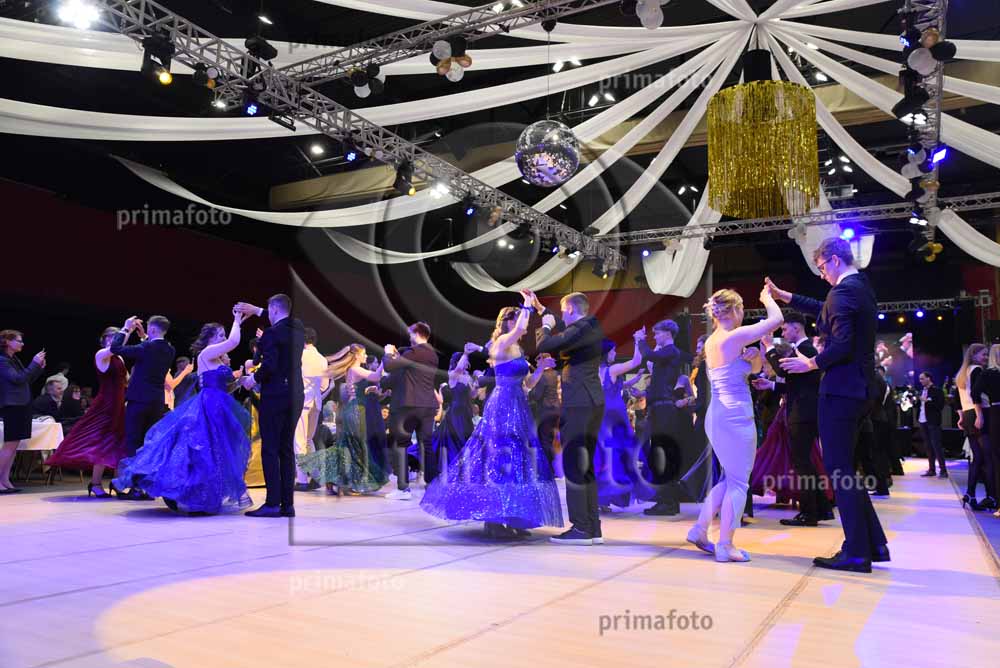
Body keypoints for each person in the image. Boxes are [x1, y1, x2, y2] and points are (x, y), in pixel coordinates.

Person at [767, 236, 889, 573]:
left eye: (822, 267)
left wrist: (810, 363)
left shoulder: (843, 292)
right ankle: (871, 544)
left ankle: (857, 552)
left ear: (834, 260)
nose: (821, 274)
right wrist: (786, 296)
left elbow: (843, 344)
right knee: (845, 469)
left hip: (841, 390)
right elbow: (824, 307)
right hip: (858, 389)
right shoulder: (859, 286)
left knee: (840, 471)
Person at [421, 292, 562, 538]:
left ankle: (514, 517)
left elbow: (527, 385)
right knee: (498, 457)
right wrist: (528, 305)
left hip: (518, 404)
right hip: (502, 404)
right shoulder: (502, 343)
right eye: (513, 316)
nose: (519, 319)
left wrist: (540, 368)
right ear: (504, 322)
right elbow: (521, 329)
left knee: (519, 460)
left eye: (518, 316)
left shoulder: (517, 348)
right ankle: (494, 520)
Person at [113, 311, 252, 514]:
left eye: (223, 335)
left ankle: (207, 496)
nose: (223, 339)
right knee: (203, 451)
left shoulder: (218, 360)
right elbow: (233, 341)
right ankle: (192, 496)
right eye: (220, 335)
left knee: (217, 453)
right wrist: (237, 320)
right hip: (208, 407)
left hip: (219, 406)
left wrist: (239, 382)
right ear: (210, 338)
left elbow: (225, 387)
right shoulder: (206, 354)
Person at [686, 288, 781, 563]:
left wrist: (754, 358)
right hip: (735, 417)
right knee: (739, 483)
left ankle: (699, 530)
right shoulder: (734, 336)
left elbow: (752, 371)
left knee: (729, 479)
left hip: (718, 416)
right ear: (736, 310)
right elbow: (776, 320)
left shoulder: (713, 341)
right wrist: (767, 299)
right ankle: (725, 545)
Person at [534, 291, 606, 545]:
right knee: (584, 465)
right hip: (591, 401)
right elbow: (564, 335)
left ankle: (581, 528)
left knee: (575, 464)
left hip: (579, 402)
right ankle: (592, 527)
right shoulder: (588, 327)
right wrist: (541, 308)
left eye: (564, 311)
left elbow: (545, 345)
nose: (561, 316)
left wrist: (545, 325)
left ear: (572, 309)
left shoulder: (582, 327)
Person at [757, 312, 831, 526]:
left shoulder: (805, 349)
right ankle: (819, 510)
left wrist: (769, 347)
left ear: (796, 327)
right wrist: (771, 385)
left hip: (802, 413)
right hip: (803, 412)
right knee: (805, 462)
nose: (782, 332)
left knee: (802, 463)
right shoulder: (804, 349)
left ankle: (809, 514)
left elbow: (782, 370)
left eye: (785, 328)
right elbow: (795, 383)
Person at [237, 295, 306, 518]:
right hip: (296, 395)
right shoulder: (298, 329)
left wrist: (251, 380)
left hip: (276, 395)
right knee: (286, 449)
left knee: (270, 449)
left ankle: (272, 504)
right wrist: (258, 310)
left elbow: (269, 365)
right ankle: (287, 505)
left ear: (274, 309)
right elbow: (285, 319)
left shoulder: (271, 333)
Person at [46, 328, 128, 497]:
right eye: (111, 337)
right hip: (105, 405)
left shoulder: (119, 357)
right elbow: (114, 348)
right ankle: (96, 483)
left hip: (119, 404)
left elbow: (125, 379)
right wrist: (126, 329)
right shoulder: (101, 354)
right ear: (103, 340)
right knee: (102, 441)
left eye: (117, 337)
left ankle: (117, 483)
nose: (114, 340)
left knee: (118, 442)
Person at [297, 344, 387, 495]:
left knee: (348, 446)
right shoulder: (355, 369)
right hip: (355, 411)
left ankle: (335, 480)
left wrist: (368, 390)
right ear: (356, 355)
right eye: (364, 354)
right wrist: (386, 357)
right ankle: (348, 482)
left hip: (353, 410)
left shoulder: (352, 369)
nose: (366, 356)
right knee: (355, 447)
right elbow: (376, 376)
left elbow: (357, 389)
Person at [110, 315, 175, 500]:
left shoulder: (146, 347)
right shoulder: (170, 349)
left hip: (139, 401)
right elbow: (150, 351)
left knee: (133, 444)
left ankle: (136, 488)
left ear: (152, 329)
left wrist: (125, 329)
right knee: (149, 446)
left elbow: (115, 348)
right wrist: (144, 336)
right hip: (157, 402)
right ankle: (146, 487)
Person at [635, 319, 691, 516]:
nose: (655, 336)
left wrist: (640, 340)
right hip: (661, 409)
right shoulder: (667, 354)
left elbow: (648, 354)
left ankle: (667, 503)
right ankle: (668, 501)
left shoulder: (671, 351)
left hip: (664, 410)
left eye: (657, 333)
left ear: (667, 333)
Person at [383, 322, 439, 500]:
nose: (409, 337)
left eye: (410, 333)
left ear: (417, 333)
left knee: (401, 444)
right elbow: (409, 371)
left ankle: (403, 489)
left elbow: (389, 367)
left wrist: (388, 353)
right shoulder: (432, 354)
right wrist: (400, 356)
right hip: (428, 406)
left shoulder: (415, 352)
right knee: (426, 445)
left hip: (409, 405)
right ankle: (432, 484)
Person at [594, 335, 643, 512]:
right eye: (613, 351)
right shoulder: (612, 370)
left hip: (603, 417)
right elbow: (636, 361)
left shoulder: (597, 372)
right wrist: (638, 341)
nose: (615, 353)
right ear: (606, 353)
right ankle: (606, 497)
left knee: (605, 457)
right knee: (617, 457)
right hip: (614, 419)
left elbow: (620, 386)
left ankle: (601, 500)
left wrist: (635, 379)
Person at [0, 330, 46, 493]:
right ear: (7, 342)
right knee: (10, 444)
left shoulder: (13, 359)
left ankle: (5, 480)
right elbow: (18, 379)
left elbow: (26, 380)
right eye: (19, 341)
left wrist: (38, 368)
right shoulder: (2, 360)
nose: (22, 343)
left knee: (14, 446)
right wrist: (34, 363)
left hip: (21, 405)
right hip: (13, 405)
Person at [426, 349, 476, 484]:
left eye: (467, 360)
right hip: (455, 412)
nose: (467, 363)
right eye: (464, 360)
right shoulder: (452, 374)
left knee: (465, 442)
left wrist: (477, 385)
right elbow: (459, 368)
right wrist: (466, 353)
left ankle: (461, 474)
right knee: (455, 441)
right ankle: (450, 473)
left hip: (466, 412)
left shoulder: (468, 376)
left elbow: (473, 395)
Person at [956, 344, 995, 509]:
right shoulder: (977, 370)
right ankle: (991, 496)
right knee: (987, 457)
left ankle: (970, 493)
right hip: (978, 413)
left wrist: (961, 416)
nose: (985, 358)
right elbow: (975, 394)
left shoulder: (962, 373)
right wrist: (980, 415)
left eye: (987, 355)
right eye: (983, 355)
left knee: (977, 457)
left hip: (967, 414)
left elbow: (958, 398)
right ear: (973, 355)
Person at [294, 327, 329, 491]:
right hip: (316, 402)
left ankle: (302, 480)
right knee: (308, 440)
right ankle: (316, 476)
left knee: (299, 441)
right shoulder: (322, 359)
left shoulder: (299, 355)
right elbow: (324, 385)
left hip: (301, 402)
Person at [972, 343, 1000, 517]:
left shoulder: (988, 373)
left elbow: (975, 393)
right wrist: (980, 414)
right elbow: (975, 393)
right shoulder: (988, 373)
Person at [916, 372, 946, 478]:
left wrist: (927, 401)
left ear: (929, 378)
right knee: (928, 446)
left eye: (922, 378)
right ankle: (931, 469)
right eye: (920, 379)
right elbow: (919, 406)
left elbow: (940, 406)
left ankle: (943, 470)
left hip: (933, 421)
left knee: (936, 446)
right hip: (922, 421)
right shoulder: (921, 391)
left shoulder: (937, 391)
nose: (920, 381)